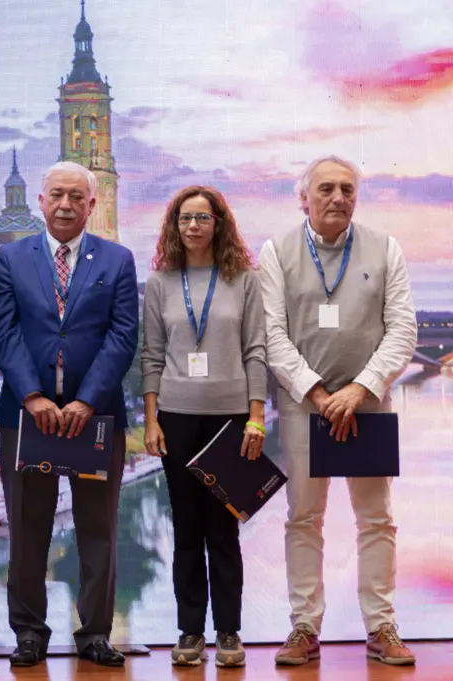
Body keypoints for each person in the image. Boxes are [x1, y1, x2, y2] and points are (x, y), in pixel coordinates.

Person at [260, 155, 418, 667]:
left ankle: (382, 626)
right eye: (325, 188)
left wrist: (361, 388)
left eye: (347, 188)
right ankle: (304, 628)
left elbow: (403, 331)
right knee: (303, 518)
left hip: (367, 409)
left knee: (377, 519)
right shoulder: (276, 252)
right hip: (306, 409)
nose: (338, 197)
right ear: (302, 197)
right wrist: (319, 394)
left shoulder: (385, 248)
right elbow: (273, 334)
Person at [0, 161, 138, 668]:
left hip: (95, 418)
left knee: (97, 529)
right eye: (57, 194)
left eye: (77, 197)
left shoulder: (117, 260)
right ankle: (29, 632)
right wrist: (32, 396)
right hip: (26, 417)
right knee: (27, 529)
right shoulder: (11, 258)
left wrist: (87, 400)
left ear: (92, 205)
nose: (66, 205)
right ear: (40, 199)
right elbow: (5, 333)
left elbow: (123, 337)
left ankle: (95, 632)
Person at [140, 186, 266, 668]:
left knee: (224, 532)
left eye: (202, 218)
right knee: (187, 530)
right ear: (174, 226)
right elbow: (151, 355)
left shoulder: (243, 280)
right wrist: (151, 419)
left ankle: (229, 633)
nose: (193, 226)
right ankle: (191, 633)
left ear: (219, 223)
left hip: (231, 419)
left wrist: (256, 417)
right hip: (175, 417)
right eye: (184, 219)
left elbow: (256, 350)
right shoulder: (159, 282)